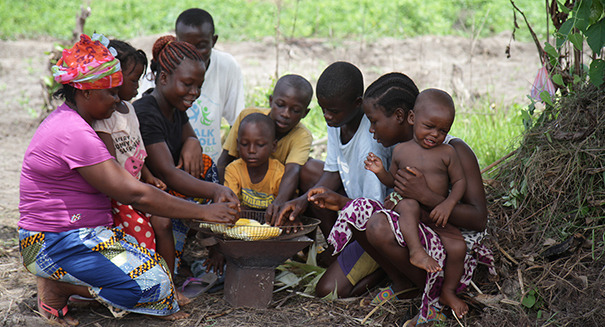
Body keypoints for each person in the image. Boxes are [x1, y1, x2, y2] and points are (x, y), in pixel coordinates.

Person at [18, 33, 238, 325]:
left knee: (156, 275)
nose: (117, 98)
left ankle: (71, 284)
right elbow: (135, 194)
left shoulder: (75, 122)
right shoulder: (75, 134)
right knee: (155, 286)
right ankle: (60, 285)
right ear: (85, 92)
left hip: (83, 235)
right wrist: (204, 211)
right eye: (109, 93)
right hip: (55, 241)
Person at [308, 72, 494, 325]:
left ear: (399, 116)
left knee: (376, 224)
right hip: (415, 232)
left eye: (373, 121)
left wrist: (426, 196)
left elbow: (479, 219)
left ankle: (436, 296)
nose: (371, 129)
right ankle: (404, 283)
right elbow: (390, 203)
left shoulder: (454, 151)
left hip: (450, 246)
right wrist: (343, 204)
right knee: (362, 216)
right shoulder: (398, 151)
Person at [276, 61, 391, 291]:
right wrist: (301, 200)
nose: (327, 116)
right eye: (323, 109)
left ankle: (384, 271)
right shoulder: (339, 119)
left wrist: (339, 203)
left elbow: (375, 213)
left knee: (328, 290)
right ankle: (336, 248)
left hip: (377, 224)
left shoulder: (370, 144)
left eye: (333, 111)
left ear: (357, 103)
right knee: (309, 170)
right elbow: (333, 170)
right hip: (352, 205)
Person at [92, 39, 191, 305]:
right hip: (122, 194)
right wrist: (139, 187)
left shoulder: (131, 110)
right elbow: (111, 164)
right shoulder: (104, 117)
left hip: (138, 186)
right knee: (142, 233)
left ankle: (169, 284)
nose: (138, 87)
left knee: (164, 222)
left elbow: (137, 152)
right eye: (133, 80)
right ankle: (149, 293)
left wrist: (149, 177)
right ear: (113, 78)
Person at [364, 88, 468, 318]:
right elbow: (393, 181)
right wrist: (380, 172)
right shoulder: (400, 151)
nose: (434, 134)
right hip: (411, 210)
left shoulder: (448, 153)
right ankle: (416, 251)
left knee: (458, 247)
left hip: (437, 214)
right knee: (408, 205)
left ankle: (448, 291)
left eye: (443, 130)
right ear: (412, 118)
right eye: (429, 127)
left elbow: (460, 182)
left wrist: (448, 204)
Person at [218, 74, 320, 219]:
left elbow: (292, 172)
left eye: (295, 110)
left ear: (305, 113)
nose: (285, 114)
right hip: (242, 191)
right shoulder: (248, 118)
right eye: (280, 105)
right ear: (271, 101)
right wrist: (222, 196)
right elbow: (225, 159)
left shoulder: (301, 136)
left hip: (277, 194)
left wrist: (279, 203)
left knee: (311, 168)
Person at [175, 8, 245, 162]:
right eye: (186, 46)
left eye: (201, 45)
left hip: (211, 164)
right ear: (176, 42)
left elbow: (239, 122)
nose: (193, 53)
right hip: (173, 163)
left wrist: (223, 165)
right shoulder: (165, 67)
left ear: (213, 41)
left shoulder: (227, 66)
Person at [224, 113, 284, 210]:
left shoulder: (279, 174)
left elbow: (282, 206)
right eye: (244, 144)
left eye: (260, 145)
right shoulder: (233, 170)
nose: (251, 150)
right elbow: (230, 206)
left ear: (273, 146)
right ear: (238, 145)